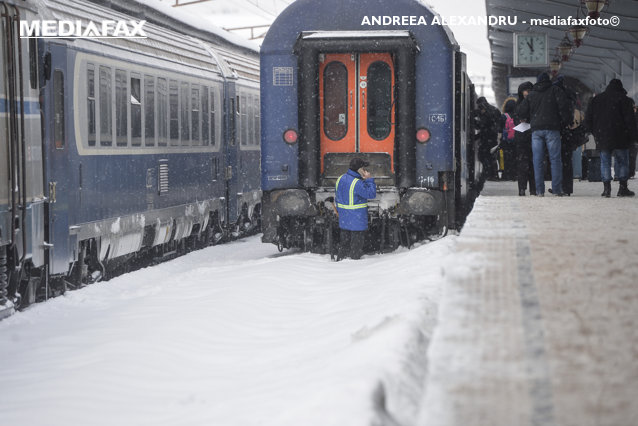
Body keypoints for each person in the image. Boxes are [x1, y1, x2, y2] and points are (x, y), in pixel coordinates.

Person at [518, 72, 571, 196]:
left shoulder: (532, 94)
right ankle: (557, 190)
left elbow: (521, 111)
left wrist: (525, 116)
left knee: (537, 160)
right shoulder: (555, 90)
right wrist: (566, 122)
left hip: (536, 130)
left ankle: (540, 191)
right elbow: (564, 107)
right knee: (555, 160)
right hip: (553, 129)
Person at [584, 79, 638, 197]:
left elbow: (589, 118)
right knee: (622, 161)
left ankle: (606, 189)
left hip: (602, 135)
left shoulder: (596, 100)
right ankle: (622, 188)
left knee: (605, 162)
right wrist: (634, 137)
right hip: (621, 135)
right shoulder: (625, 100)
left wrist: (593, 132)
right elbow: (630, 121)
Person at [335, 158, 377, 260]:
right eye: (363, 168)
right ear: (359, 170)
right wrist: (369, 180)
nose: (365, 170)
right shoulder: (357, 183)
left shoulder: (340, 178)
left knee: (344, 243)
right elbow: (371, 194)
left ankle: (340, 260)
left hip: (344, 218)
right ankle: (354, 265)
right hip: (356, 220)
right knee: (356, 247)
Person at [514, 81, 536, 196]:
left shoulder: (524, 103)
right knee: (523, 165)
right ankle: (522, 188)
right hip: (523, 138)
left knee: (532, 164)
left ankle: (533, 189)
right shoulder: (519, 104)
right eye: (525, 90)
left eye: (528, 90)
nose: (527, 92)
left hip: (530, 136)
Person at [475, 97, 502, 182]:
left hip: (486, 138)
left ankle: (490, 174)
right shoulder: (494, 110)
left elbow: (482, 125)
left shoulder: (486, 111)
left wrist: (475, 122)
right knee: (492, 156)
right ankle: (494, 174)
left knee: (483, 156)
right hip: (492, 137)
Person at [500, 99, 517, 181]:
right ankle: (514, 175)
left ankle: (506, 175)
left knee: (506, 158)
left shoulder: (504, 116)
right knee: (515, 157)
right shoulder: (518, 115)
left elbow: (499, 129)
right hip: (516, 141)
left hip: (506, 141)